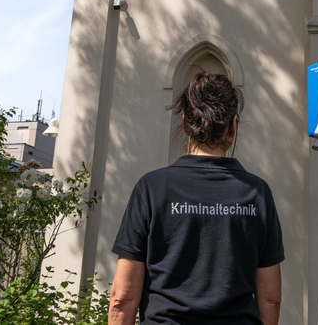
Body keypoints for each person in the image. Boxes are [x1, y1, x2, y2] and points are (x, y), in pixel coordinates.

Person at [108, 71, 284, 325]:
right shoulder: (257, 192)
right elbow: (270, 298)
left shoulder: (152, 187)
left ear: (185, 124)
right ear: (233, 126)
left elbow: (122, 297)